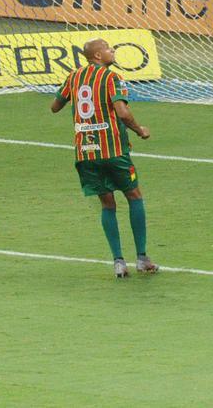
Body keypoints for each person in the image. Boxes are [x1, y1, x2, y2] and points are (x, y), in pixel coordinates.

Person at [51, 38, 160, 278]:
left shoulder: (74, 77)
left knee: (107, 204)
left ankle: (118, 262)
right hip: (113, 150)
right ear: (98, 56)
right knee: (134, 196)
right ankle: (142, 258)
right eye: (109, 48)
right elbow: (122, 112)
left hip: (86, 152)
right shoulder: (112, 78)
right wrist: (139, 130)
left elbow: (55, 106)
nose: (113, 51)